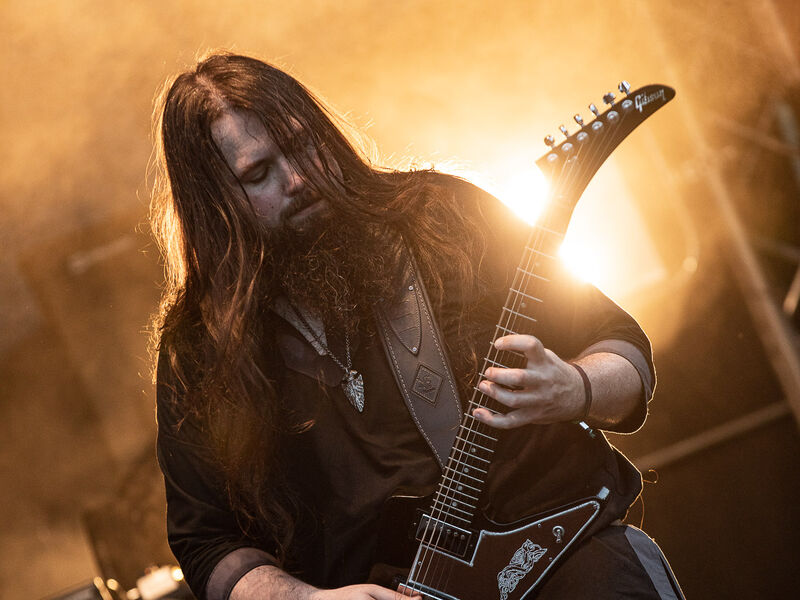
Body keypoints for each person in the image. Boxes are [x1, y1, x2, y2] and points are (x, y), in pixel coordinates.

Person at [151, 52, 683, 600]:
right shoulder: (197, 349)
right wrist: (306, 599)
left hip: (568, 560)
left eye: (303, 143)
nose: (299, 178)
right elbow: (207, 542)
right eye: (259, 173)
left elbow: (622, 346)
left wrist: (579, 387)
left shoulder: (441, 215)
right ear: (214, 206)